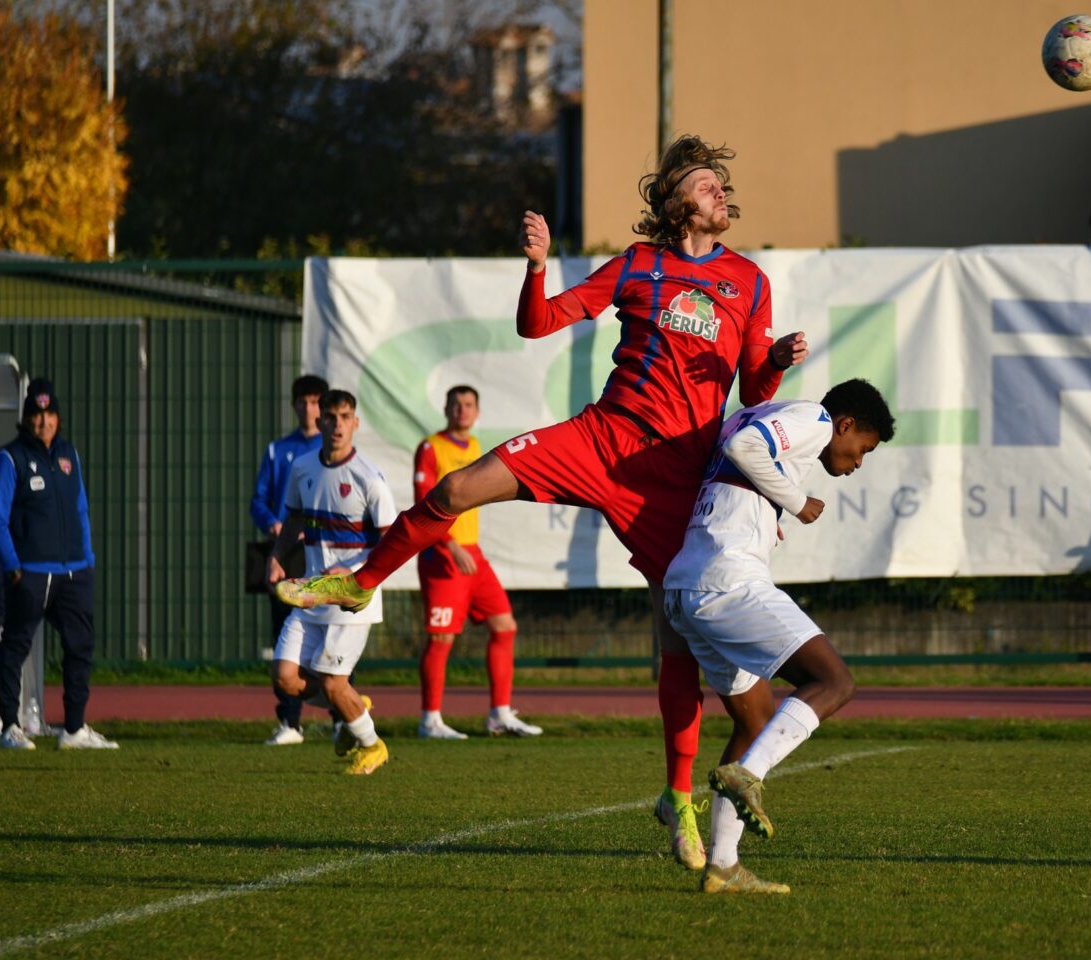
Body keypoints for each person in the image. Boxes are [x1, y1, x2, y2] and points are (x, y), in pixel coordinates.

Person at [279, 135, 809, 868]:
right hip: (603, 437)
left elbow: (753, 391)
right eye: (703, 182)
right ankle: (360, 579)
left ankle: (677, 797)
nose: (719, 190)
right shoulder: (638, 265)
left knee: (676, 641)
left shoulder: (747, 280)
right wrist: (536, 266)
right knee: (459, 487)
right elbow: (539, 323)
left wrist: (774, 361)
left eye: (721, 181)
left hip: (672, 477)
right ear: (673, 202)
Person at [662, 379, 896, 893]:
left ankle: (723, 864)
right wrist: (794, 500)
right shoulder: (813, 418)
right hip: (728, 581)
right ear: (846, 425)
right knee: (835, 682)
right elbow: (741, 449)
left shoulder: (761, 414)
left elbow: (738, 456)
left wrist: (768, 511)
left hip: (685, 585)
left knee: (755, 721)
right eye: (864, 449)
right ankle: (751, 774)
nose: (858, 462)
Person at [266, 389, 395, 775]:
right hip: (311, 595)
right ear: (318, 421)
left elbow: (394, 542)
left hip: (353, 598)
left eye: (344, 417)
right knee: (285, 678)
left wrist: (354, 573)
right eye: (330, 416)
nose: (337, 424)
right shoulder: (303, 468)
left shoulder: (369, 479)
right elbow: (293, 521)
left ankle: (373, 746)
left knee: (333, 682)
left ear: (355, 423)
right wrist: (276, 556)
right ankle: (350, 705)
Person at [0, 378, 117, 750]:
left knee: (80, 646)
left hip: (74, 571)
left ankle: (74, 729)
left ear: (58, 418)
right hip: (30, 572)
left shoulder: (68, 456)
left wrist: (88, 558)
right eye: (36, 414)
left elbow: (80, 508)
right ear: (26, 418)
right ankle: (11, 726)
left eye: (49, 414)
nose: (43, 422)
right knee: (15, 645)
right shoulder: (9, 458)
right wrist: (13, 566)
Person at [414, 385, 540, 739]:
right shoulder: (430, 447)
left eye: (469, 405)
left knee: (505, 625)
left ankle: (499, 714)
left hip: (473, 555)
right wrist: (451, 547)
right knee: (441, 638)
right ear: (446, 409)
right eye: (456, 405)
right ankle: (430, 720)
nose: (462, 411)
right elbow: (423, 501)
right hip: (443, 555)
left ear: (477, 412)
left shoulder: (474, 448)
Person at [250, 373, 328, 745]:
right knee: (286, 636)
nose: (310, 409)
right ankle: (290, 722)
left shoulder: (333, 453)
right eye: (303, 401)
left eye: (316, 402)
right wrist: (274, 526)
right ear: (294, 405)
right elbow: (259, 501)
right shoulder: (278, 450)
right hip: (286, 555)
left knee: (334, 632)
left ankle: (344, 717)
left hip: (324, 555)